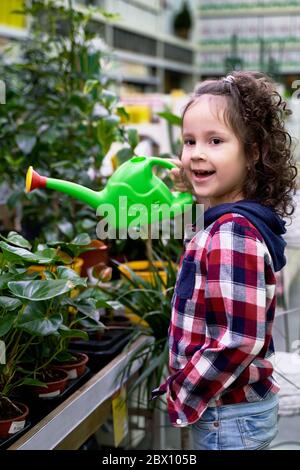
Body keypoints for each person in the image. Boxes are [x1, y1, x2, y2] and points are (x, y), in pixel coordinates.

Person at [151, 71, 297, 450]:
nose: (196, 152)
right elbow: (202, 248)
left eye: (215, 141)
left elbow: (238, 339)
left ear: (252, 153)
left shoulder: (233, 233)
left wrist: (184, 388)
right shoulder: (236, 218)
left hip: (227, 417)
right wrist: (190, 192)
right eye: (189, 141)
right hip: (234, 411)